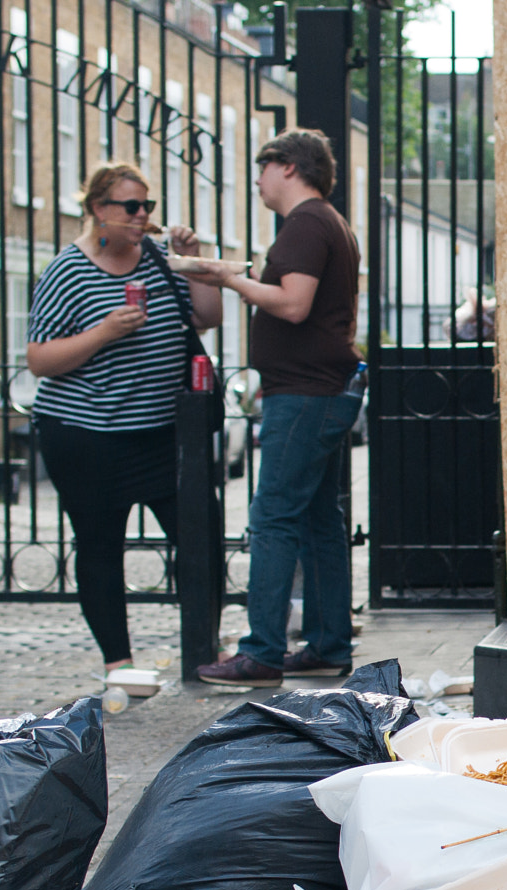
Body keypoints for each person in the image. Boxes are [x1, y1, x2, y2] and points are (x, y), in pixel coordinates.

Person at [26, 163, 222, 671]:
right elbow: (40, 359)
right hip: (86, 434)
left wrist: (195, 262)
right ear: (98, 210)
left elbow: (207, 316)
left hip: (161, 434)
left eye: (147, 206)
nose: (141, 216)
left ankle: (203, 647)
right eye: (130, 206)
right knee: (99, 545)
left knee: (201, 537)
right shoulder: (68, 270)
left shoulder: (157, 258)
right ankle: (119, 663)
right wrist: (103, 333)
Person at [196, 128, 363, 687]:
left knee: (273, 518)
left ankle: (262, 652)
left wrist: (229, 278)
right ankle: (327, 644)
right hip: (320, 389)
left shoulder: (307, 223)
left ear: (289, 166)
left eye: (263, 164)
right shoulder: (326, 222)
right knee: (318, 521)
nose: (258, 177)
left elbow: (293, 304)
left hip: (306, 394)